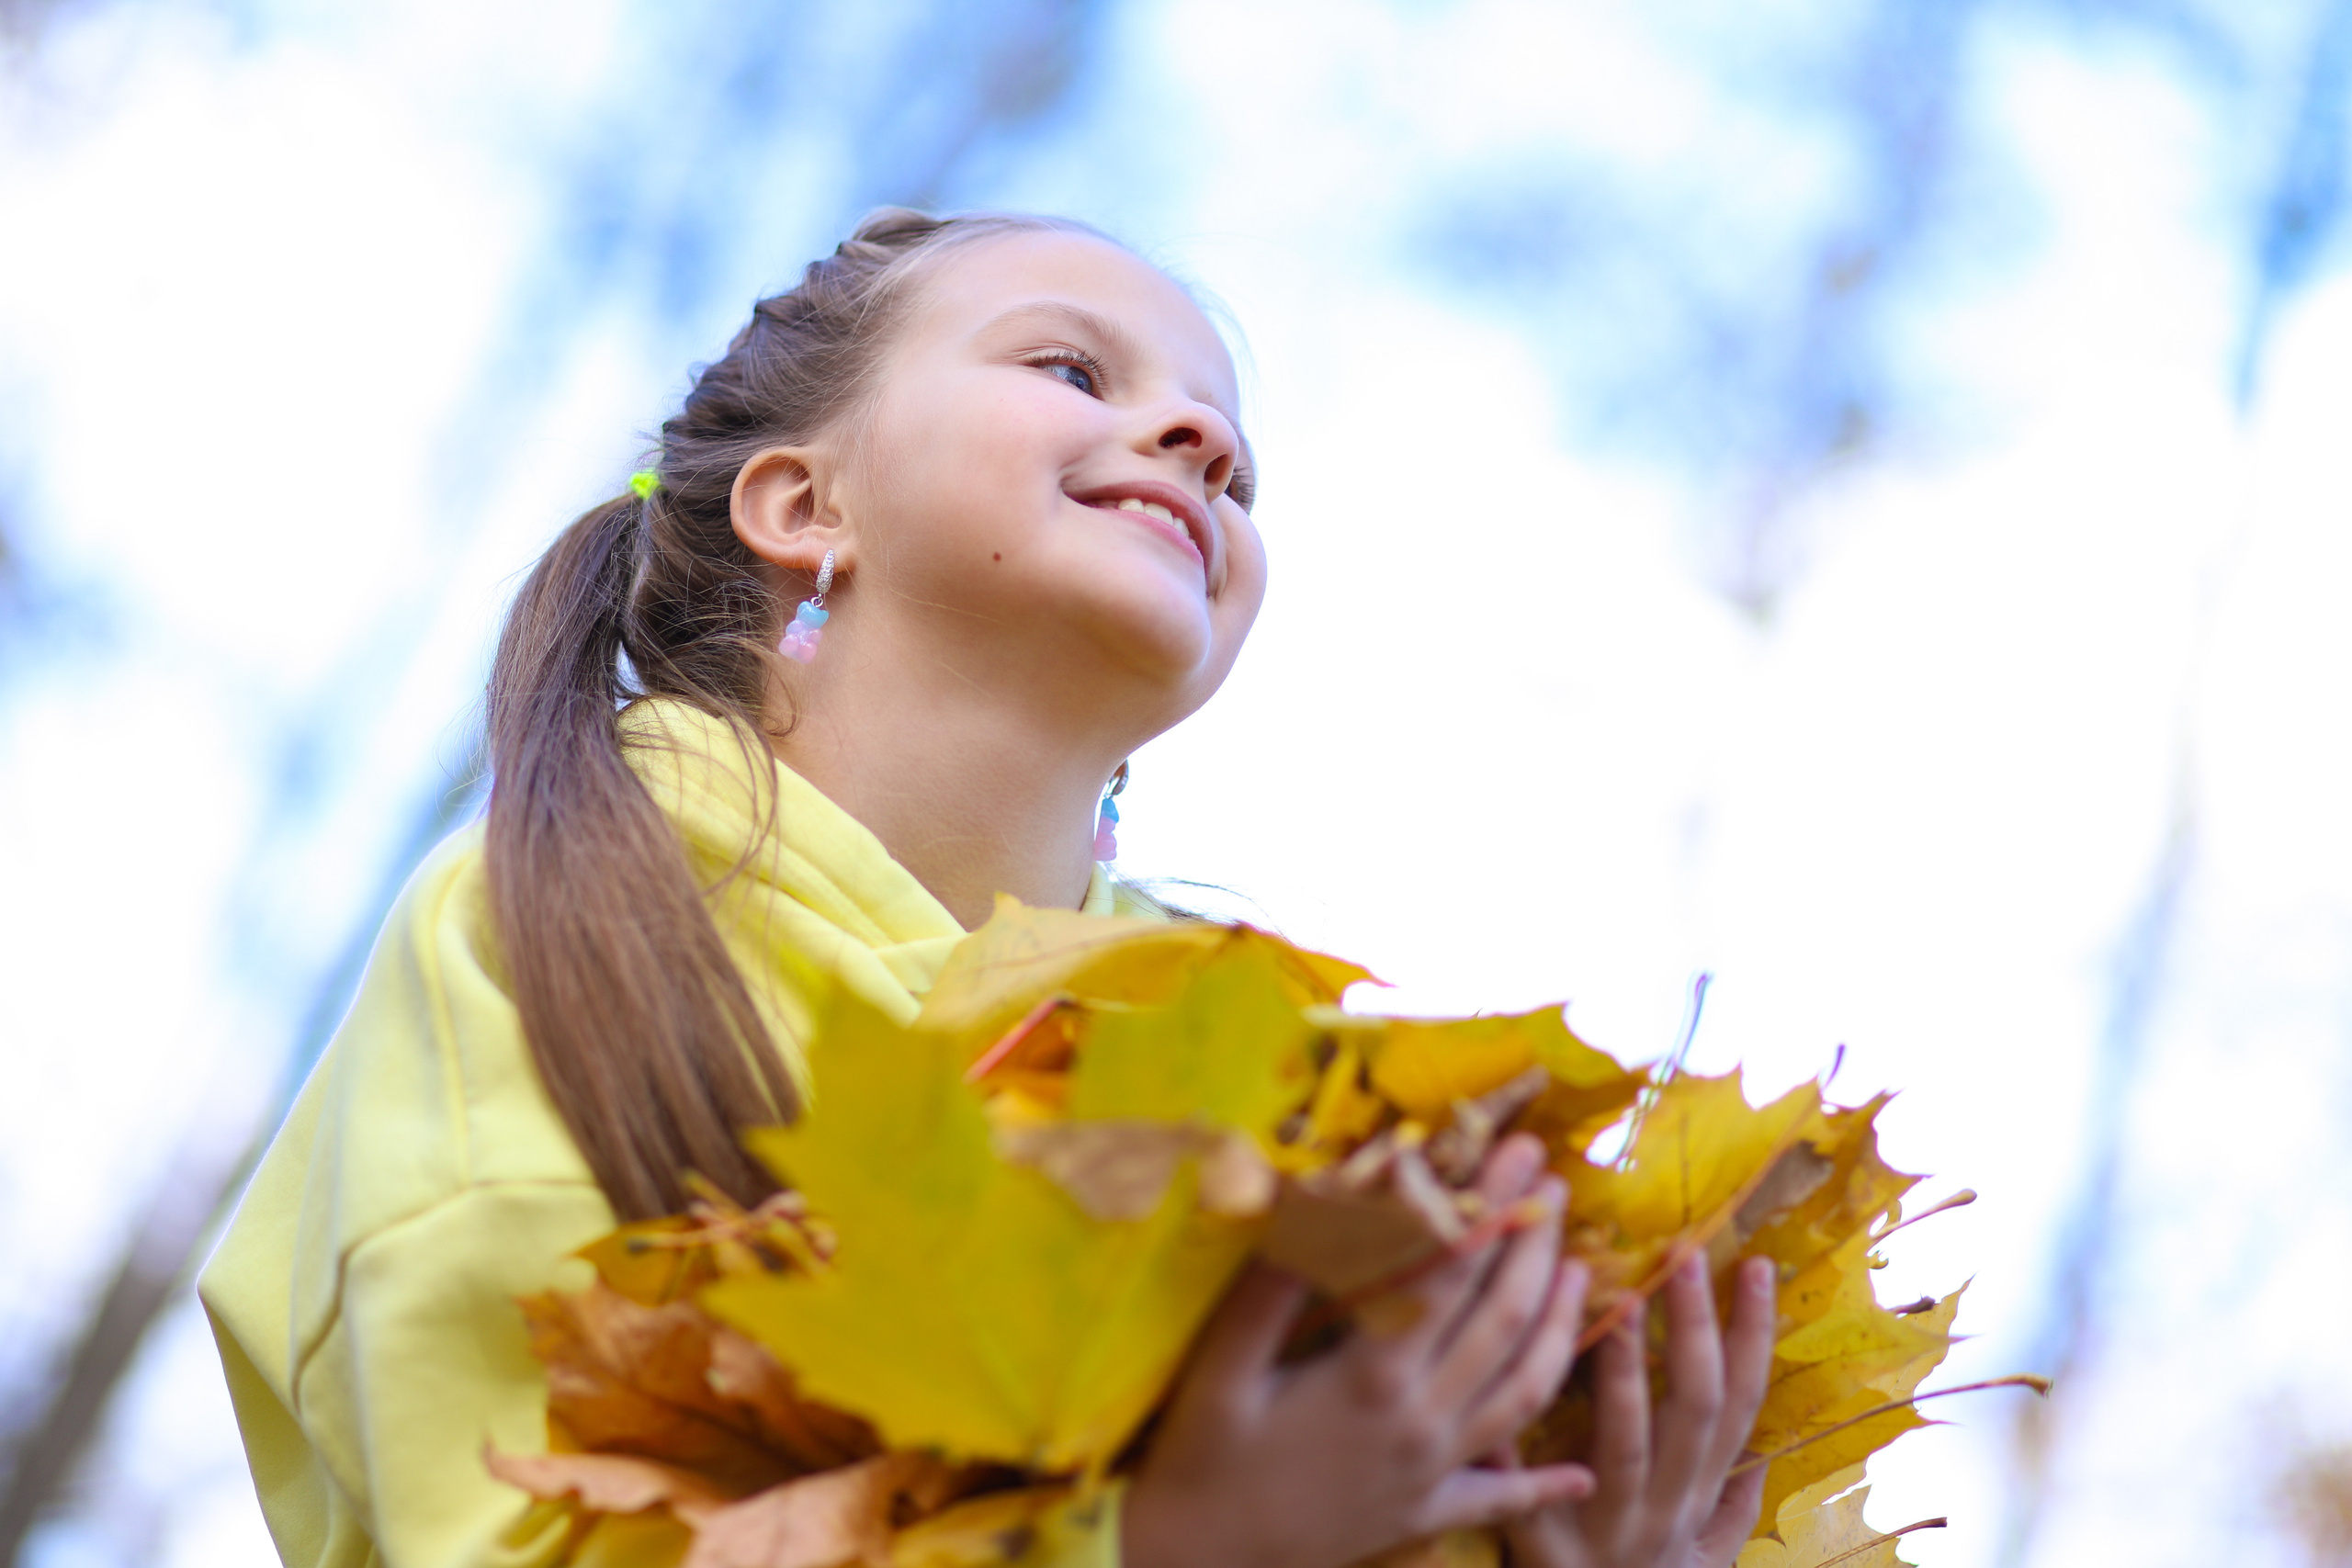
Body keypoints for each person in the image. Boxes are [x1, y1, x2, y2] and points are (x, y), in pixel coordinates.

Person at [200, 209, 1775, 1568]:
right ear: (804, 506)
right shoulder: (568, 915)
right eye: (1074, 370)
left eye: (1236, 453)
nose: (1206, 446)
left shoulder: (1272, 1069)